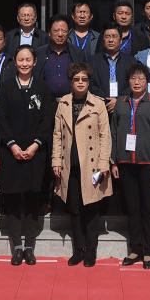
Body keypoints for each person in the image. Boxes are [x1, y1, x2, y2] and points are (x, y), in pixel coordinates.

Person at [0, 44, 56, 265]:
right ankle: (16, 247)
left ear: (34, 62)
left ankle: (29, 246)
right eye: (20, 60)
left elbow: (46, 120)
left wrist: (34, 146)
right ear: (15, 62)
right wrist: (12, 145)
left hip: (35, 153)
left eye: (28, 60)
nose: (24, 64)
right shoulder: (6, 86)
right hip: (11, 152)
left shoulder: (42, 87)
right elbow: (1, 119)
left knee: (32, 200)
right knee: (13, 200)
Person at [52, 63, 113, 267]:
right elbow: (57, 135)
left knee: (92, 209)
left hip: (93, 166)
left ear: (89, 82)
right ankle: (78, 250)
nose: (80, 82)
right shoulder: (63, 103)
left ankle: (90, 250)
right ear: (71, 82)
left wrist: (104, 163)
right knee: (75, 209)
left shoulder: (98, 104)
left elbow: (105, 136)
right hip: (70, 165)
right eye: (76, 79)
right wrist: (56, 160)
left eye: (84, 79)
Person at [110, 63, 150, 269]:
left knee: (149, 208)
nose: (137, 82)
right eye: (133, 78)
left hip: (149, 164)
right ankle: (135, 249)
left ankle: (149, 251)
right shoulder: (121, 103)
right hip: (126, 163)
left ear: (147, 81)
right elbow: (114, 132)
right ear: (128, 81)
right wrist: (114, 160)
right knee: (132, 208)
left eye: (141, 78)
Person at [88, 22, 133, 113]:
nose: (111, 40)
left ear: (120, 40)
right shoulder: (93, 61)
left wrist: (118, 100)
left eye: (114, 36)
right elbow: (91, 84)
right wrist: (106, 100)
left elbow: (132, 85)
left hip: (124, 108)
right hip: (99, 107)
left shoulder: (130, 61)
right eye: (107, 36)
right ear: (103, 40)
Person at [35, 15, 82, 99]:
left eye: (64, 31)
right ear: (49, 33)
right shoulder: (39, 53)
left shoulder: (77, 53)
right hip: (45, 101)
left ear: (68, 33)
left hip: (71, 101)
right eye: (56, 31)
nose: (60, 34)